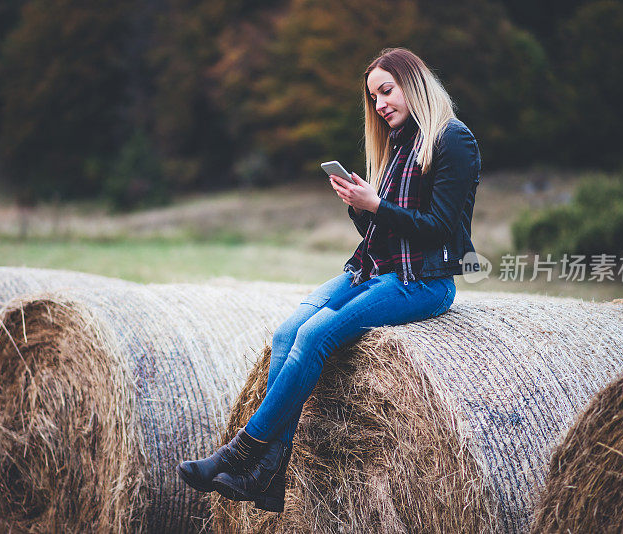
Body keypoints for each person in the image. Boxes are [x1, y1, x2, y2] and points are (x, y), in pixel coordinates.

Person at [177, 47, 481, 513]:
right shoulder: (398, 143)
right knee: (286, 333)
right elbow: (383, 231)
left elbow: (438, 227)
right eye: (373, 97)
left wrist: (376, 205)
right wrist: (360, 207)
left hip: (423, 280)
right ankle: (270, 477)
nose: (379, 104)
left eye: (386, 90)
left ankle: (244, 452)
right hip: (374, 268)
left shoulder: (452, 140)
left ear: (413, 82)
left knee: (316, 336)